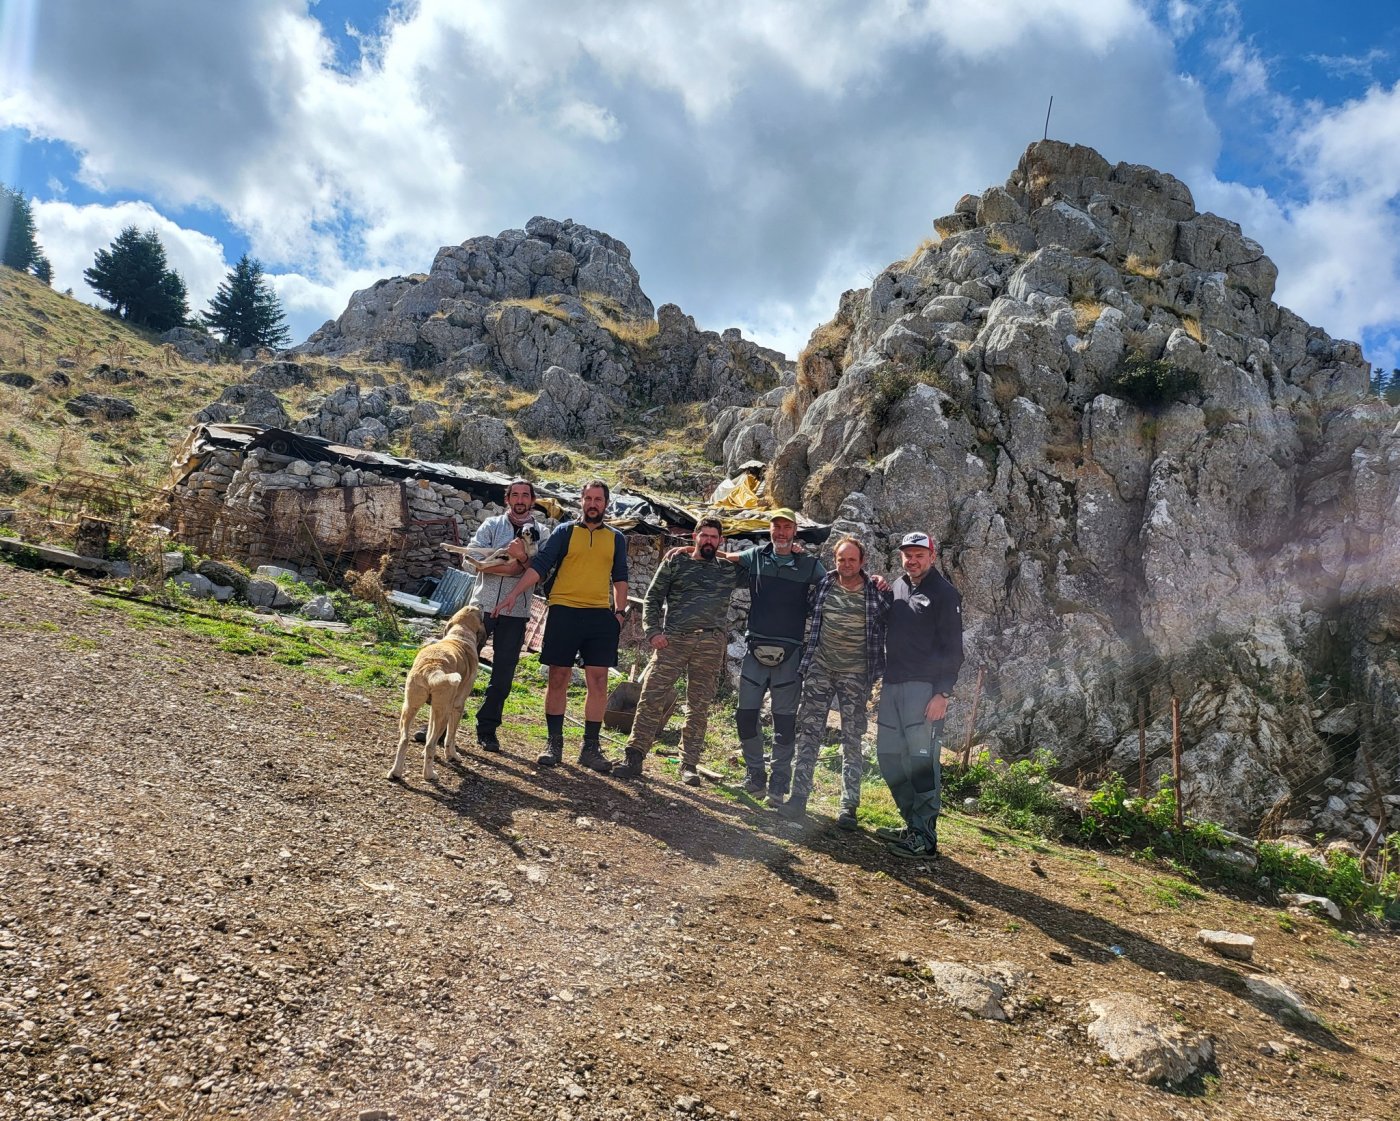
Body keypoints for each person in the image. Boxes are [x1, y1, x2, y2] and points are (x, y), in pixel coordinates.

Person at [496, 480, 627, 773]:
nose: (593, 504)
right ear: (581, 501)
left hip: (599, 616)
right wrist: (514, 594)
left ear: (606, 504)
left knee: (598, 682)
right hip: (564, 612)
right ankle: (553, 744)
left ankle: (590, 748)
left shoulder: (617, 538)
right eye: (588, 498)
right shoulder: (564, 532)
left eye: (598, 499)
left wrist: (619, 614)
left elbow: (620, 576)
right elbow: (541, 564)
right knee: (558, 677)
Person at [777, 536, 889, 828]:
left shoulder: (876, 592)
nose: (846, 564)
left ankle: (848, 807)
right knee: (809, 733)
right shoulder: (824, 584)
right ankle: (798, 797)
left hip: (856, 675)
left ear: (862, 562)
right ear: (834, 560)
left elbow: (891, 622)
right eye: (841, 559)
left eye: (852, 559)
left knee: (852, 739)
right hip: (820, 669)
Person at [617, 517, 735, 783]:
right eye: (704, 535)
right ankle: (634, 756)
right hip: (673, 641)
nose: (708, 541)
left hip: (710, 644)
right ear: (694, 537)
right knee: (651, 696)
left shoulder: (728, 569)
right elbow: (653, 598)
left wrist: (723, 553)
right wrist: (653, 632)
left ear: (721, 541)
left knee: (698, 705)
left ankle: (689, 764)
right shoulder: (675, 562)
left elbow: (756, 560)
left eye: (714, 537)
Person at [726, 509, 825, 801]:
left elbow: (836, 582)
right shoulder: (756, 556)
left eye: (786, 527)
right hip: (755, 648)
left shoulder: (809, 564)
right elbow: (726, 558)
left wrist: (876, 582)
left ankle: (780, 782)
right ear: (769, 529)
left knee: (784, 722)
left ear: (795, 531)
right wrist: (691, 549)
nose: (780, 533)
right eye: (776, 527)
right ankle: (755, 775)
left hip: (790, 652)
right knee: (745, 716)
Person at [876, 532, 964, 860]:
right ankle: (911, 823)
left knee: (921, 763)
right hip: (892, 684)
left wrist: (943, 693)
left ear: (932, 556)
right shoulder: (898, 587)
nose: (912, 560)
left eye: (919, 555)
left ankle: (924, 838)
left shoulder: (945, 593)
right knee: (888, 757)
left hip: (924, 690)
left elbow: (954, 650)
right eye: (907, 555)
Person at [465, 479, 541, 753]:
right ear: (507, 498)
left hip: (515, 611)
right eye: (515, 495)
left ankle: (487, 728)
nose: (520, 500)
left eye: (525, 495)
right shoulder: (491, 526)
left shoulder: (541, 531)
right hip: (480, 607)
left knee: (503, 674)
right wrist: (510, 569)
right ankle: (440, 722)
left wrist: (519, 560)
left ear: (532, 500)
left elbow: (539, 571)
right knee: (459, 662)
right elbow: (469, 559)